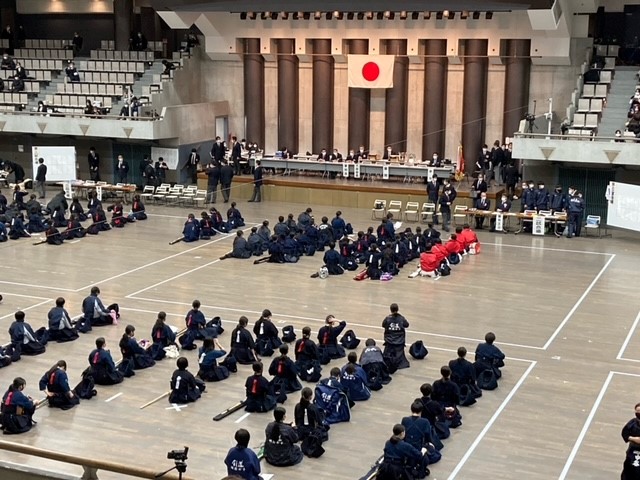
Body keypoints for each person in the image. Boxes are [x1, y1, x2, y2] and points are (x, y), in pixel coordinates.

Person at [381, 303, 410, 370]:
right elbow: (407, 325)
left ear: (390, 310)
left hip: (389, 341)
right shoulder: (401, 318)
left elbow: (383, 325)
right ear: (398, 309)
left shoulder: (387, 319)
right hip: (399, 341)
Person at [621, 403, 640, 480]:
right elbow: (624, 434)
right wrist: (633, 439)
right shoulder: (633, 423)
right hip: (633, 450)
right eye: (638, 411)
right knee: (629, 470)